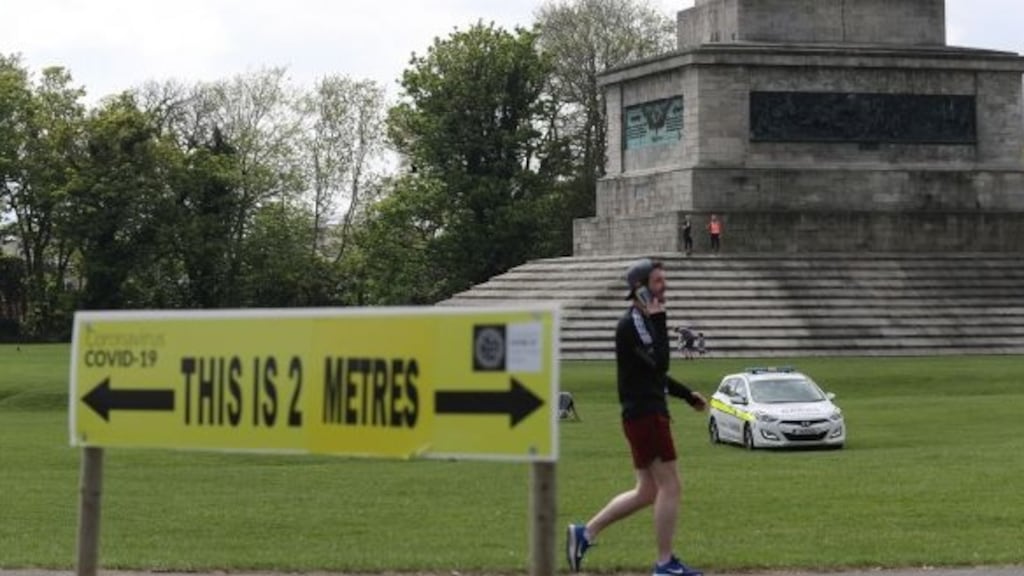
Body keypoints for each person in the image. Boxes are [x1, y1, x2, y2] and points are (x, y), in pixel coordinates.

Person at [567, 259, 707, 576]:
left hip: (643, 413)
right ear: (640, 289)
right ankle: (664, 563)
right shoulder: (634, 325)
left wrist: (687, 395)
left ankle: (585, 533)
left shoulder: (640, 323)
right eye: (658, 282)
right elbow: (660, 364)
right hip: (646, 416)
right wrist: (660, 319)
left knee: (647, 490)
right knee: (671, 486)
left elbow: (652, 374)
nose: (664, 286)